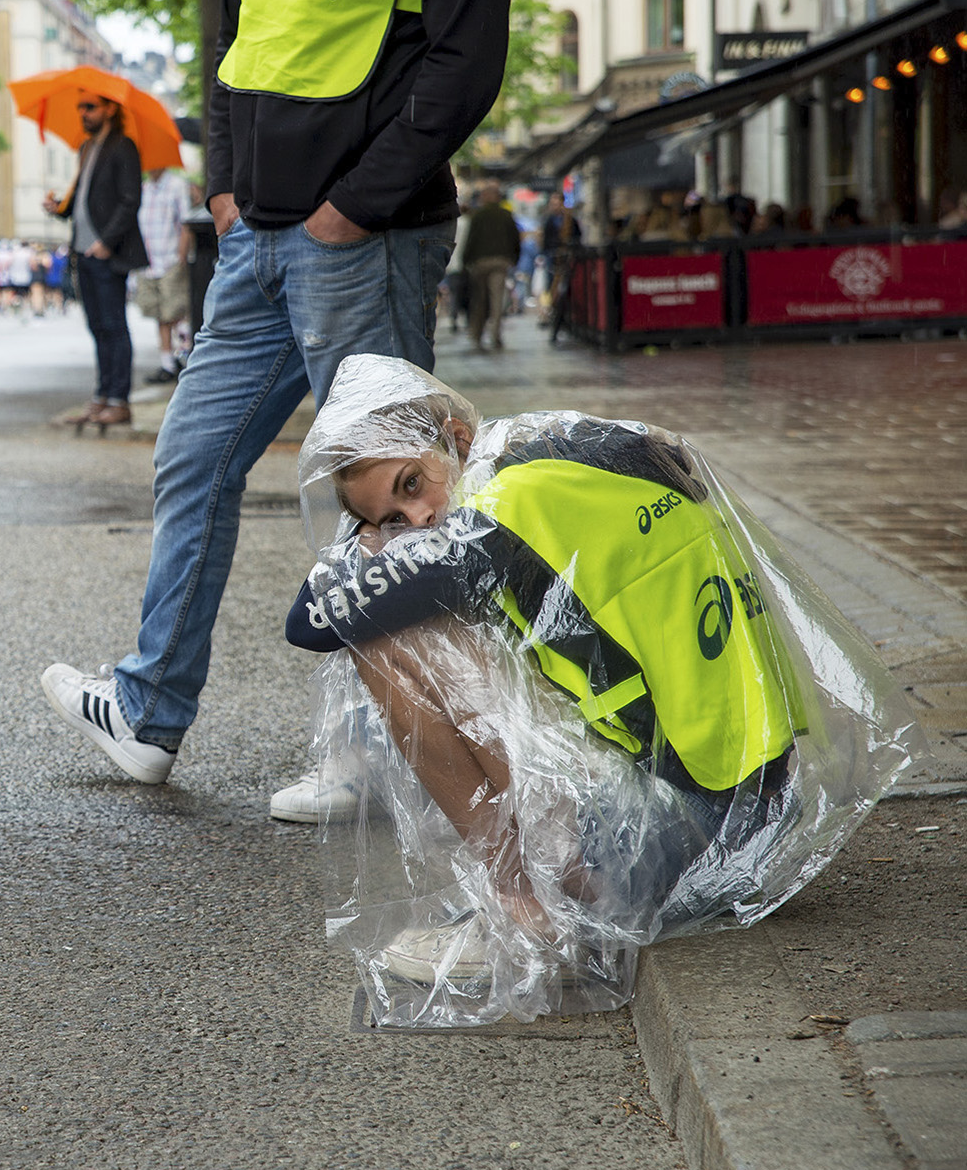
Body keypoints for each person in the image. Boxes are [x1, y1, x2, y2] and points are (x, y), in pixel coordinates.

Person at [39, 0, 520, 790]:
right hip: (255, 234)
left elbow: (467, 60)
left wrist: (354, 206)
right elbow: (237, 37)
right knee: (194, 457)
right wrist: (226, 187)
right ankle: (147, 712)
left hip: (362, 235)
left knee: (396, 499)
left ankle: (391, 749)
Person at [279, 356, 817, 1006]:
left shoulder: (506, 506)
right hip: (758, 809)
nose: (417, 518)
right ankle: (538, 888)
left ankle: (526, 905)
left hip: (692, 832)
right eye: (393, 514)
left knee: (388, 640)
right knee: (445, 625)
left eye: (413, 482)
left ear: (458, 437)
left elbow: (314, 621)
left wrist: (370, 544)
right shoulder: (558, 459)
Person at [46, 94, 148, 428]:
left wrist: (107, 242)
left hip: (107, 253)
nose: (83, 113)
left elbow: (130, 199)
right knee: (97, 327)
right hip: (82, 252)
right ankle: (102, 397)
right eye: (80, 107)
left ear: (109, 109)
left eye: (89, 107)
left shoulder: (123, 146)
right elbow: (83, 203)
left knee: (114, 326)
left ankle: (120, 401)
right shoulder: (87, 149)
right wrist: (59, 207)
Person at [136, 164, 192, 383]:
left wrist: (181, 255)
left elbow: (185, 222)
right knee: (160, 315)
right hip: (148, 262)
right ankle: (167, 363)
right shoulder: (143, 189)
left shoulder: (177, 186)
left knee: (176, 312)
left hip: (170, 258)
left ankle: (184, 354)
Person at [458, 183, 520, 352]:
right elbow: (515, 239)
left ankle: (477, 336)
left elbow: (471, 240)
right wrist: (515, 258)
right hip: (500, 261)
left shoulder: (477, 215)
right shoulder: (506, 215)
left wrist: (465, 261)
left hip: (480, 262)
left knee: (479, 300)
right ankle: (496, 336)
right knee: (497, 300)